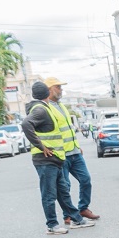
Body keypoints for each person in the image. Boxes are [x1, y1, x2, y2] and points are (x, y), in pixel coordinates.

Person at [22, 81, 95, 235]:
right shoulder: (41, 109)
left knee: (62, 191)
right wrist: (41, 146)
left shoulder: (44, 107)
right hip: (45, 159)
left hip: (55, 159)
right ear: (47, 93)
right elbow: (26, 124)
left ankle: (76, 219)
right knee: (49, 193)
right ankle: (52, 225)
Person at [43, 76, 99, 224]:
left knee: (85, 180)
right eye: (58, 87)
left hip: (74, 151)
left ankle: (82, 208)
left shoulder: (61, 106)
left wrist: (77, 145)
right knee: (65, 186)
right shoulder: (46, 108)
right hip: (61, 154)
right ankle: (68, 214)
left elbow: (68, 129)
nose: (61, 90)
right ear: (49, 89)